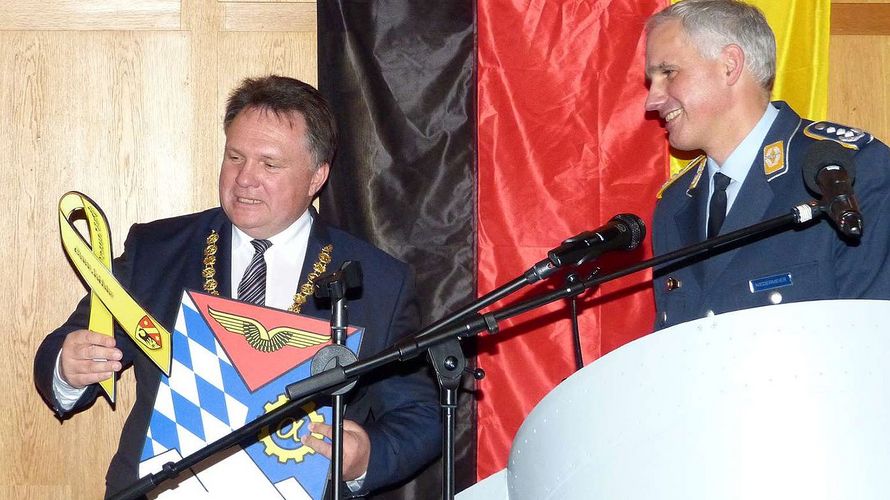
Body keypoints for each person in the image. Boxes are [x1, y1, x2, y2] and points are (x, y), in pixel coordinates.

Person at [34, 75, 440, 497]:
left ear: (317, 176)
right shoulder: (156, 251)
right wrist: (69, 365)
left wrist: (364, 455)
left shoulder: (378, 280)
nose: (245, 178)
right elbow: (60, 350)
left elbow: (419, 417)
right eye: (235, 157)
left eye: (269, 164)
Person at [644, 0, 890, 330]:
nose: (652, 100)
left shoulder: (845, 173)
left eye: (668, 73)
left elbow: (872, 345)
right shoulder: (674, 206)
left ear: (729, 66)